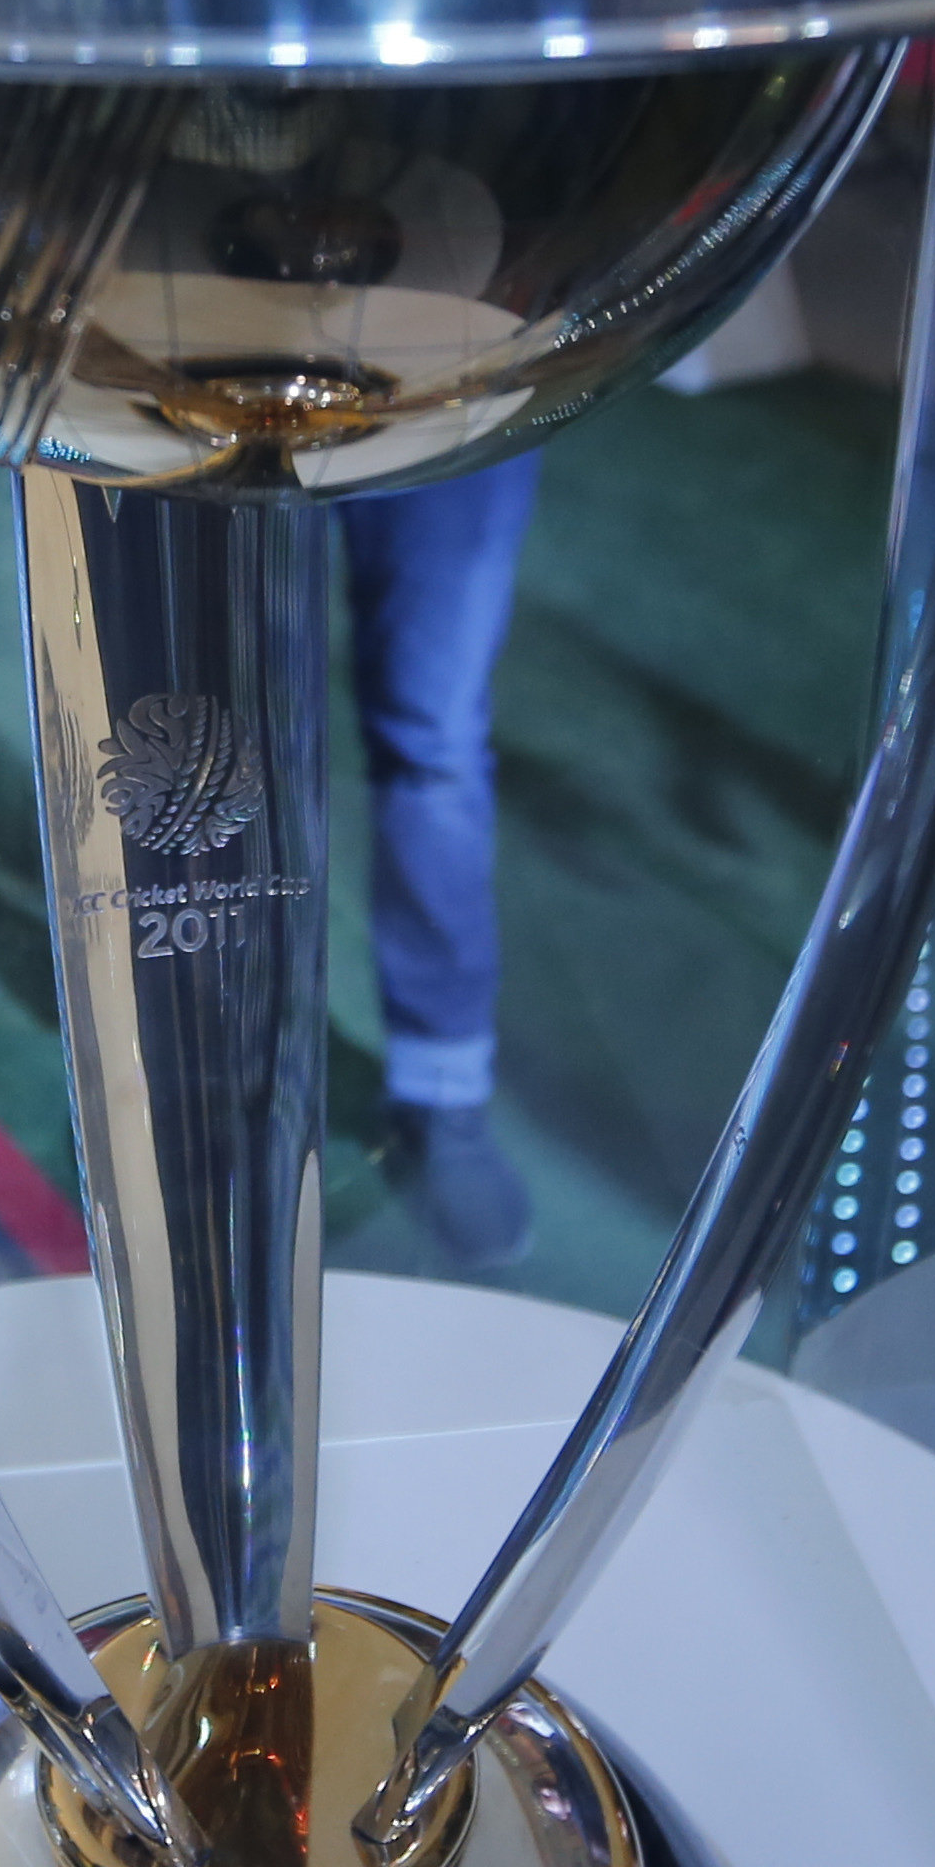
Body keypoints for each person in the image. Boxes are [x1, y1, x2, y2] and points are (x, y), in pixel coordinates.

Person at [350, 463, 540, 1268]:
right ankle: (218, 1069)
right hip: (212, 367)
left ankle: (441, 1088)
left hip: (457, 368)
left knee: (435, 743)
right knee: (215, 727)